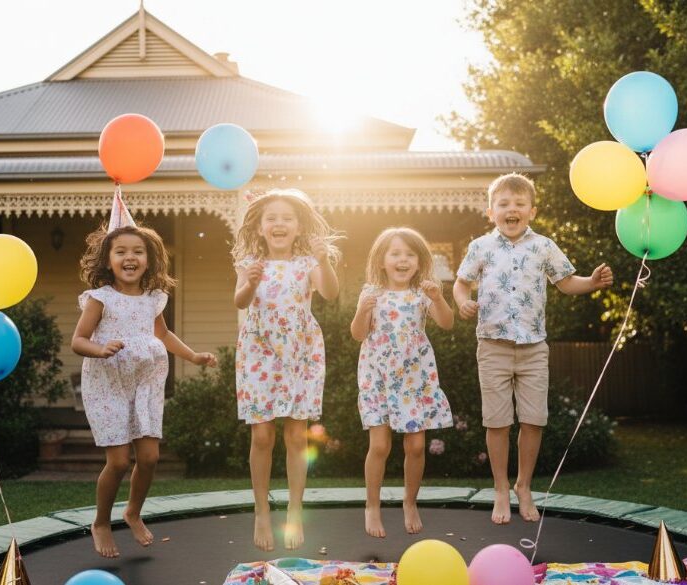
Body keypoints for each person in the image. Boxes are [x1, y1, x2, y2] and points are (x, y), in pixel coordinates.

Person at [453, 173, 613, 525]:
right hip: (493, 346)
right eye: (504, 204)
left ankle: (523, 486)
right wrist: (463, 302)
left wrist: (592, 282)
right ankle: (499, 488)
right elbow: (461, 284)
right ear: (490, 211)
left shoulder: (544, 246)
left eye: (519, 204)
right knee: (497, 423)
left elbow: (566, 282)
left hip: (533, 347)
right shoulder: (480, 247)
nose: (512, 209)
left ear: (532, 211)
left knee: (533, 420)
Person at [72, 209, 217, 558]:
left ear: (149, 260)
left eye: (137, 251)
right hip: (108, 383)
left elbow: (163, 333)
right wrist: (100, 348)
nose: (129, 257)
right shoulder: (100, 298)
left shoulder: (153, 298)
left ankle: (133, 511)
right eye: (121, 251)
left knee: (150, 458)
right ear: (108, 260)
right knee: (119, 461)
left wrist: (193, 356)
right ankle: (102, 522)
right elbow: (78, 340)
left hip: (145, 384)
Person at [232, 188, 341, 551]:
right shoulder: (250, 261)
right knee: (262, 436)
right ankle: (262, 510)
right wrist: (249, 280)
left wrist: (324, 260)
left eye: (287, 218)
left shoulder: (307, 262)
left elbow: (329, 293)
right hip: (259, 352)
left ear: (299, 226)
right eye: (271, 218)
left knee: (296, 436)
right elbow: (240, 301)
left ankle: (295, 509)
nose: (279, 223)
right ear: (260, 227)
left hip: (299, 352)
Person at [350, 227, 454, 538]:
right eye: (395, 254)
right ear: (382, 260)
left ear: (419, 261)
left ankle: (410, 502)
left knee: (417, 446)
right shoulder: (371, 293)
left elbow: (447, 323)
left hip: (414, 378)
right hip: (378, 377)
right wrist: (362, 310)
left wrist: (439, 297)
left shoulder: (424, 293)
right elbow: (357, 333)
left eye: (409, 254)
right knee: (379, 445)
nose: (402, 260)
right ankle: (372, 506)